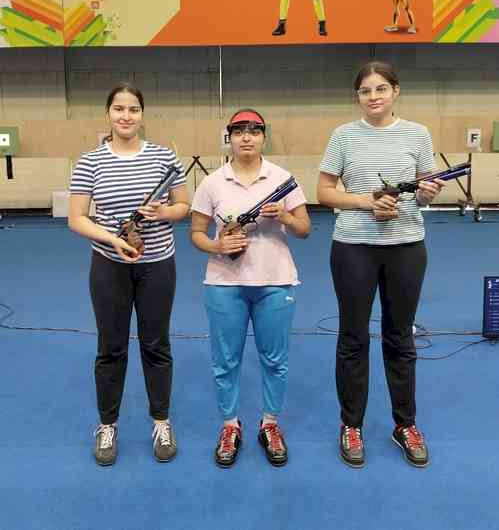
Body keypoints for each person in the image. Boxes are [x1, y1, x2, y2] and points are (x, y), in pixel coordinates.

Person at [317, 62, 444, 469]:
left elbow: (425, 197)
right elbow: (324, 192)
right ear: (357, 97)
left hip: (406, 246)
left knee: (400, 336)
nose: (373, 96)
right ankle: (350, 424)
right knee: (353, 337)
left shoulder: (418, 134)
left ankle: (404, 424)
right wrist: (366, 201)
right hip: (354, 246)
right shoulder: (343, 136)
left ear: (395, 91)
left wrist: (425, 193)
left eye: (381, 88)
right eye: (365, 91)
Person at [68, 82, 189, 466]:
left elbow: (184, 205)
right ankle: (107, 425)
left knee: (156, 345)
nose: (126, 116)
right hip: (109, 266)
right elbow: (76, 218)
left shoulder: (164, 157)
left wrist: (164, 213)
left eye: (133, 109)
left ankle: (161, 421)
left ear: (142, 114)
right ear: (108, 113)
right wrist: (112, 239)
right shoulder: (90, 161)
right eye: (119, 108)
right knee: (111, 348)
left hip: (157, 265)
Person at [191, 109, 310, 468]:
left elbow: (304, 228)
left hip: (275, 281)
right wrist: (217, 246)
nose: (246, 137)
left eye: (254, 130)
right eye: (239, 130)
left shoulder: (282, 178)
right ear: (229, 136)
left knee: (275, 359)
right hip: (224, 283)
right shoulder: (212, 182)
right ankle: (230, 425)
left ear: (263, 136)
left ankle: (270, 424)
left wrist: (285, 217)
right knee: (225, 361)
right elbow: (196, 233)